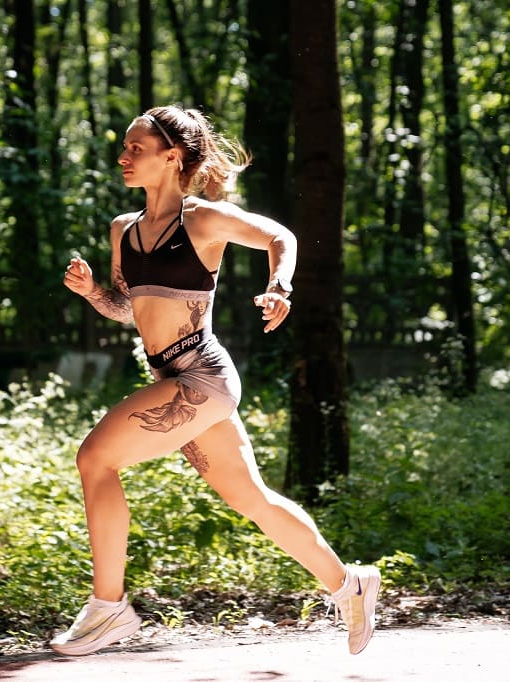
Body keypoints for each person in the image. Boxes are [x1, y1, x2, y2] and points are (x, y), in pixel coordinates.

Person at [54, 105, 380, 657]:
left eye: (136, 148)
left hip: (201, 376)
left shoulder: (201, 219)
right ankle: (349, 583)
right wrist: (90, 294)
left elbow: (281, 236)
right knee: (251, 497)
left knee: (95, 458)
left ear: (171, 157)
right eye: (126, 147)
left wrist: (280, 286)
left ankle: (109, 607)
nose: (123, 156)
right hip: (172, 377)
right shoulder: (124, 231)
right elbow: (128, 308)